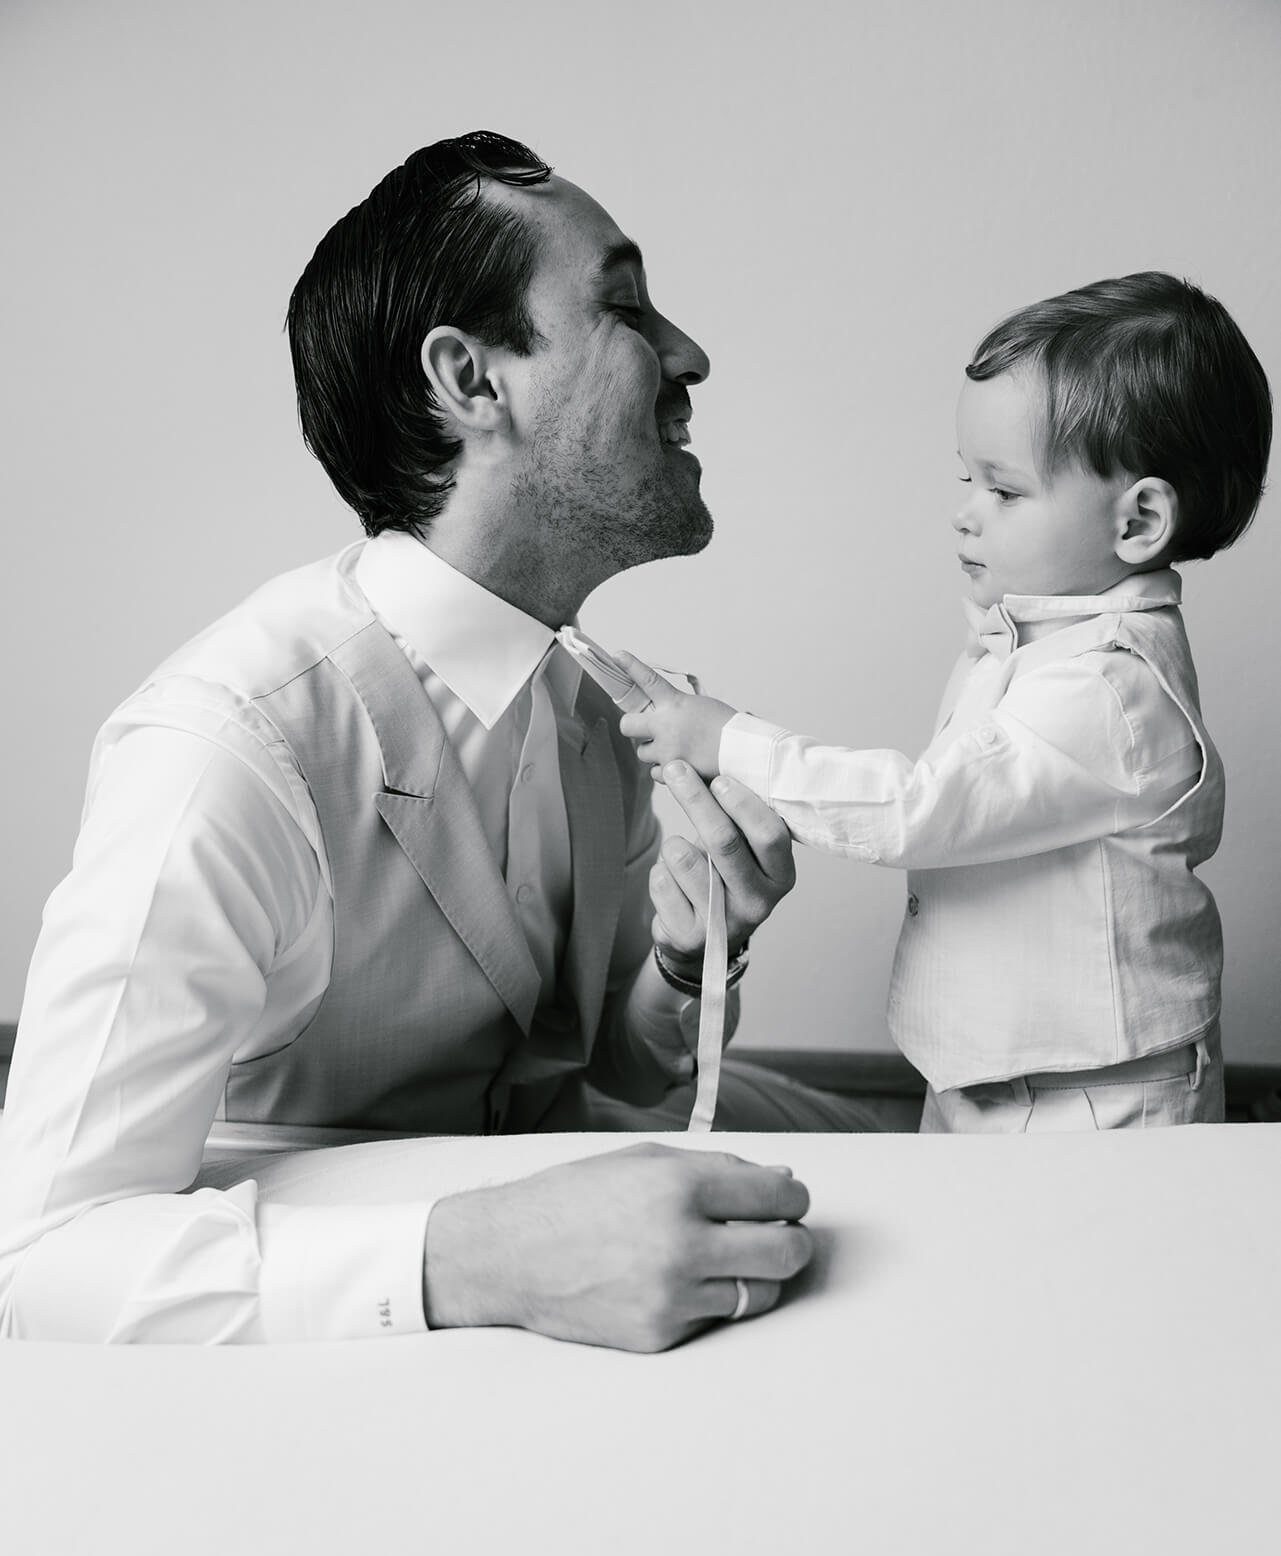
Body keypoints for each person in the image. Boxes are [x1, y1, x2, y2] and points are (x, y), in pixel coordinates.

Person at [0, 131, 876, 1346]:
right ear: (471, 380)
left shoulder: (601, 710)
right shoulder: (225, 751)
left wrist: (683, 961)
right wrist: (481, 1259)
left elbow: (590, 1087)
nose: (691, 355)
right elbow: (41, 1255)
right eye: (624, 307)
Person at [617, 272, 1272, 1132]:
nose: (964, 515)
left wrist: (729, 741)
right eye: (967, 481)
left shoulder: (1108, 690)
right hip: (987, 1074)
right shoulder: (1033, 643)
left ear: (1138, 522)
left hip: (1097, 1100)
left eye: (1003, 491)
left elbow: (918, 809)